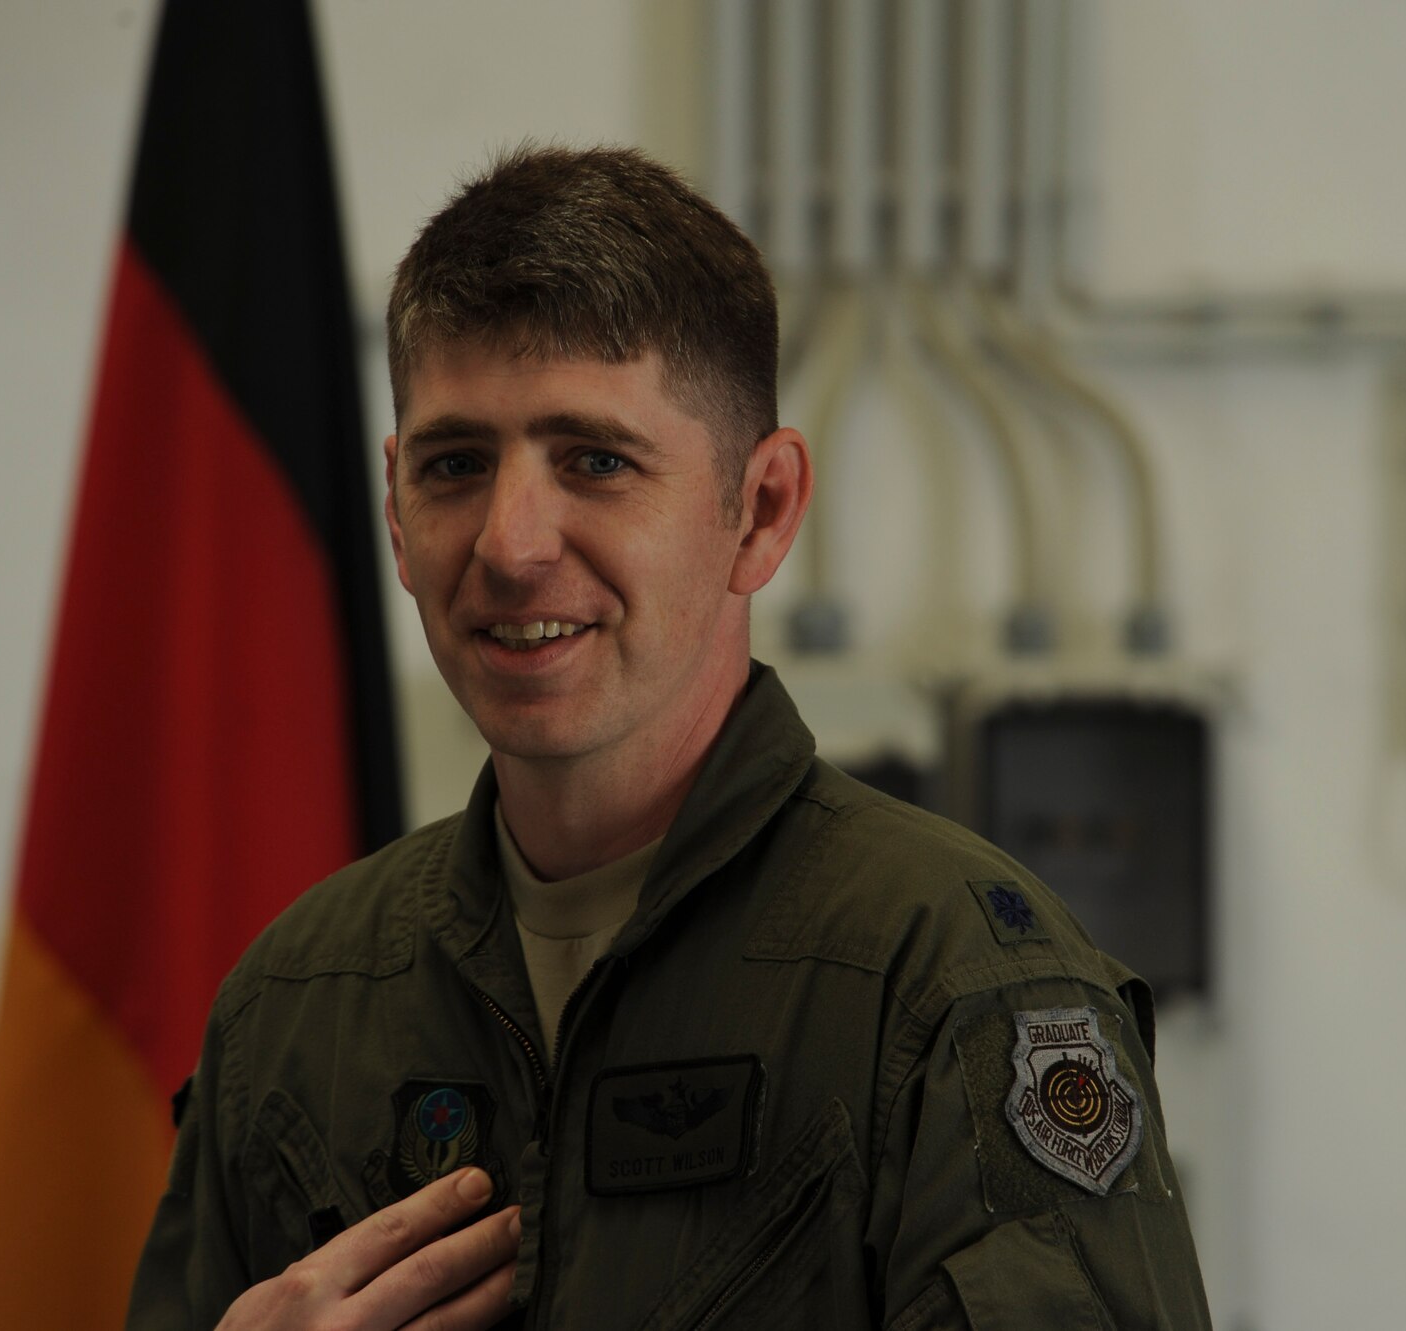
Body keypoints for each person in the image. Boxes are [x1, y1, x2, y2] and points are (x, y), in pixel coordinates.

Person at [128, 144, 1211, 1330]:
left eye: (595, 459)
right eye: (454, 464)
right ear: (393, 510)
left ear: (761, 509)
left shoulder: (955, 991)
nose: (510, 542)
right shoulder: (294, 1005)